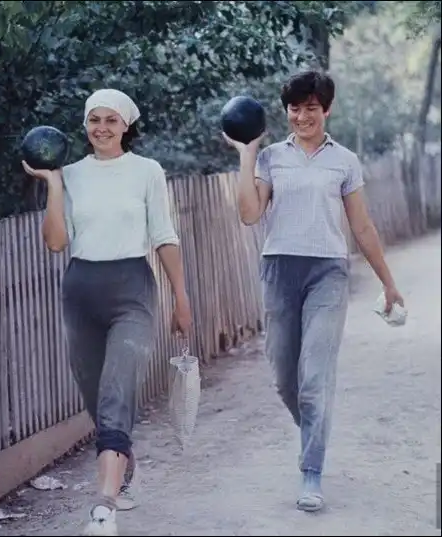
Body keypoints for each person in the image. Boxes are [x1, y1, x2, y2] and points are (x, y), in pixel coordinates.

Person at [223, 70, 405, 512]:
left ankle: (311, 472)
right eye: (294, 109)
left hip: (328, 273)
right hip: (279, 271)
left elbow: (361, 226)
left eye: (311, 108)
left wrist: (388, 282)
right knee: (286, 381)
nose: (302, 117)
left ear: (327, 109)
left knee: (315, 378)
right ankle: (314, 431)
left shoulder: (344, 161)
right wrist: (247, 155)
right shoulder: (271, 158)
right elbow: (249, 214)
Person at [22, 88, 193, 535]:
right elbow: (56, 242)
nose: (101, 128)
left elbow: (164, 235)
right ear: (84, 125)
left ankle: (104, 508)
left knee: (117, 391)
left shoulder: (146, 171)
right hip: (81, 293)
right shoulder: (70, 174)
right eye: (94, 120)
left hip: (131, 291)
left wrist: (181, 297)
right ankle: (123, 460)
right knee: (96, 397)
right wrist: (53, 184)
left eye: (110, 120)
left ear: (125, 126)